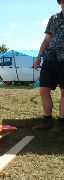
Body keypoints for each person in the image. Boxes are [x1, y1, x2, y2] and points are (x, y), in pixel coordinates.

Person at [33, 0, 64, 130]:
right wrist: (39, 57)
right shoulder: (54, 18)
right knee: (43, 90)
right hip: (50, 58)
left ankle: (62, 123)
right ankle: (47, 120)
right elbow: (47, 40)